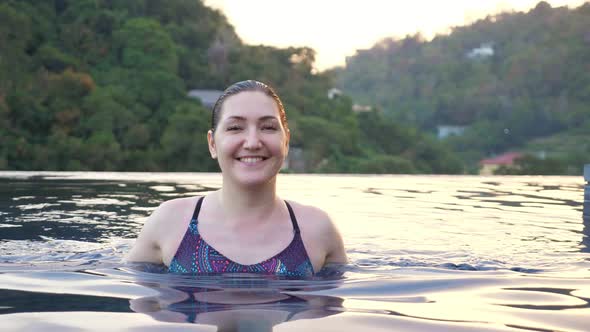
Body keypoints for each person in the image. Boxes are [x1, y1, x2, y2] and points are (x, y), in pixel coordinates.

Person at [126, 80, 347, 277]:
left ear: (286, 140)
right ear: (212, 143)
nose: (252, 142)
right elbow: (143, 310)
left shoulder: (318, 229)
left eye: (268, 127)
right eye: (235, 128)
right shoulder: (170, 222)